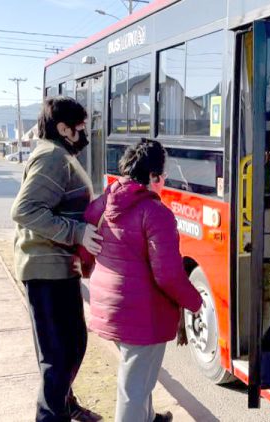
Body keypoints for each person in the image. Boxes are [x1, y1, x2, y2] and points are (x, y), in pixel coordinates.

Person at [83, 139, 202, 422]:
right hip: (141, 312)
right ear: (153, 176)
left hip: (110, 304)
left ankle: (148, 418)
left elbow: (86, 247)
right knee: (134, 387)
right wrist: (195, 302)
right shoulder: (156, 213)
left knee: (139, 376)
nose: (165, 179)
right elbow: (169, 275)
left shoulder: (105, 200)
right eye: (164, 173)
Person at [11, 96, 102, 422]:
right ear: (63, 128)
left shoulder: (60, 154)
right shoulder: (52, 157)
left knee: (72, 345)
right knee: (58, 355)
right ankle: (51, 415)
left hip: (60, 266)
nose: (85, 133)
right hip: (44, 268)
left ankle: (64, 403)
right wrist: (78, 233)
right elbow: (25, 211)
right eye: (80, 127)